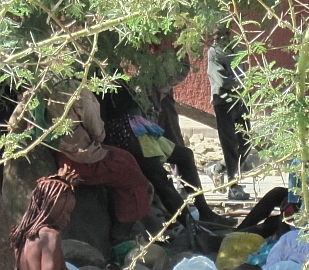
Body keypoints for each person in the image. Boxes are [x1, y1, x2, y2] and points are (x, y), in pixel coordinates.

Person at [101, 86, 235, 228]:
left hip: (136, 125)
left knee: (185, 156)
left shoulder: (114, 74)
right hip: (124, 132)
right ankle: (191, 226)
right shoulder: (96, 83)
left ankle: (204, 212)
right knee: (160, 176)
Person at [44, 80, 152, 239]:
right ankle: (121, 235)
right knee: (135, 179)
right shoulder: (76, 89)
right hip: (81, 159)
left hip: (61, 155)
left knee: (126, 158)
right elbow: (98, 131)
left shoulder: (42, 88)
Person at [207, 28, 252, 200]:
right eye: (217, 34)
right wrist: (241, 83)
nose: (220, 37)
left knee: (246, 142)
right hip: (224, 103)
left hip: (241, 101)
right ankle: (233, 186)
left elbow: (245, 72)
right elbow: (222, 80)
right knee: (230, 145)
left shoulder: (236, 49)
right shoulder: (214, 52)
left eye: (224, 34)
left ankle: (217, 169)